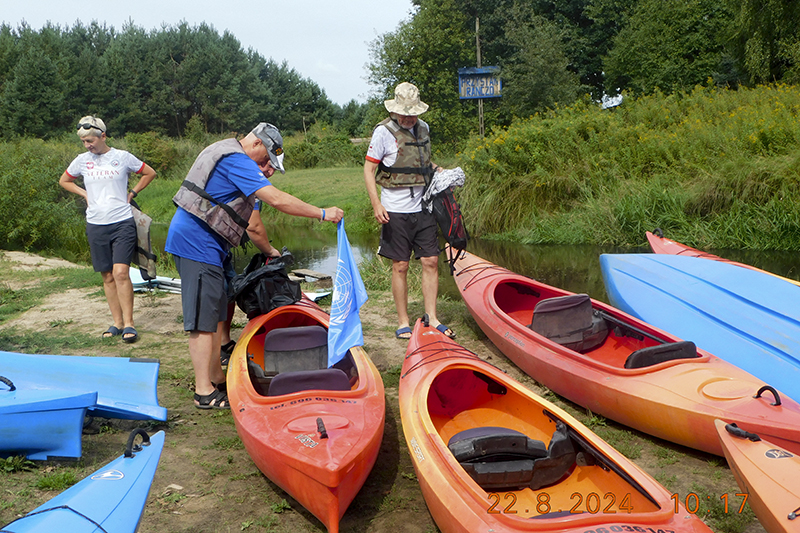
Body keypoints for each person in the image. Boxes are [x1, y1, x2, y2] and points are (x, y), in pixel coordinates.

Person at [166, 122, 343, 410]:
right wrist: (323, 213)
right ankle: (203, 392)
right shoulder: (237, 159)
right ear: (258, 144)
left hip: (210, 245)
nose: (265, 167)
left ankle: (215, 378)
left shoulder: (228, 151)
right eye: (265, 161)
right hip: (196, 244)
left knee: (213, 313)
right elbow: (275, 199)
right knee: (201, 320)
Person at [363, 82, 454, 341]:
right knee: (400, 265)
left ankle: (432, 317)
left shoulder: (423, 129)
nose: (407, 117)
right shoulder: (383, 132)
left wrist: (443, 173)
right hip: (395, 210)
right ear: (395, 111)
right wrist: (376, 205)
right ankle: (403, 321)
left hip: (424, 207)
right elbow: (369, 170)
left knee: (431, 261)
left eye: (412, 113)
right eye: (403, 112)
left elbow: (424, 163)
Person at [59, 115, 157, 343]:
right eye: (84, 142)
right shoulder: (82, 161)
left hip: (122, 222)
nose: (88, 145)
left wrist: (132, 193)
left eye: (91, 140)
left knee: (121, 272)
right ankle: (117, 322)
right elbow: (64, 180)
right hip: (95, 224)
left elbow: (149, 173)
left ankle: (130, 324)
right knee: (107, 275)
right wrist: (84, 194)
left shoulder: (122, 157)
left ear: (103, 136)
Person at [218, 200, 281, 366]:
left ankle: (224, 342)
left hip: (222, 248)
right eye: (267, 170)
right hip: (203, 246)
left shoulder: (254, 188)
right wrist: (270, 251)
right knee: (218, 294)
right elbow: (253, 226)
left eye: (273, 171)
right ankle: (215, 351)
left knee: (230, 289)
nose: (269, 173)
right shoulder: (247, 181)